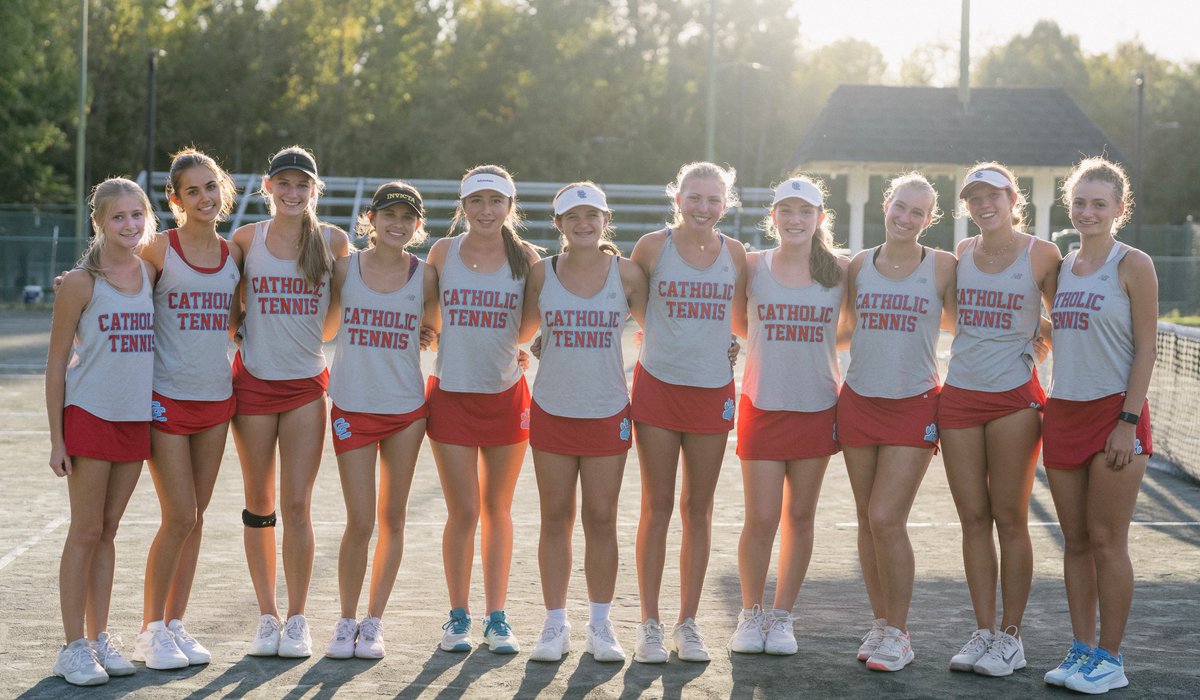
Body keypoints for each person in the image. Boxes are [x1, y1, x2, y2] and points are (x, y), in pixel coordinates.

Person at [228, 146, 350, 658]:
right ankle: (267, 616)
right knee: (261, 504)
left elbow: (344, 308)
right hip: (253, 384)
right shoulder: (244, 239)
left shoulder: (332, 241)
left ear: (314, 190)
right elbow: (224, 301)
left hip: (305, 386)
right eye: (285, 184)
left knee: (298, 504)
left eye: (303, 185)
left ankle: (297, 618)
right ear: (269, 187)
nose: (293, 193)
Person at [1042, 157, 1157, 694]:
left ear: (1119, 210)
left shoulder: (1133, 264)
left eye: (1099, 204)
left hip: (1116, 416)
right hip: (1063, 411)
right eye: (1080, 202)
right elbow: (1060, 327)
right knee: (1076, 542)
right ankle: (1082, 648)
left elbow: (1147, 347)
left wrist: (1127, 422)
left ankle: (1111, 657)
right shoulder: (1061, 268)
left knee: (1109, 540)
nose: (1087, 212)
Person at [941, 163, 1061, 677]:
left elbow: (1068, 317)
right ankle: (984, 630)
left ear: (1013, 199)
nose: (983, 204)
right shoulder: (961, 254)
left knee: (1010, 518)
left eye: (993, 194)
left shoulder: (1043, 254)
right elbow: (952, 317)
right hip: (959, 398)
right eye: (974, 197)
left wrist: (1039, 338)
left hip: (1014, 401)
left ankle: (1011, 637)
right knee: (973, 518)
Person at [521, 183, 647, 663]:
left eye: (592, 215)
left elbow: (665, 327)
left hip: (607, 410)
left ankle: (600, 624)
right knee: (555, 518)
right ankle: (555, 625)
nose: (583, 223)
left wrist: (727, 343)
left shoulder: (628, 273)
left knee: (601, 519)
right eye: (572, 217)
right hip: (552, 408)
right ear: (558, 225)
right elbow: (520, 333)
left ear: (604, 219)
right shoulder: (541, 273)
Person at [629, 161, 748, 664]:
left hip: (711, 392)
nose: (703, 207)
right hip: (657, 386)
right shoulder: (652, 247)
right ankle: (650, 625)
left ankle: (688, 623)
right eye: (694, 197)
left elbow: (740, 317)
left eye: (713, 199)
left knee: (698, 509)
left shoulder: (736, 254)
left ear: (726, 204)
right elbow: (635, 305)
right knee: (656, 507)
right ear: (677, 198)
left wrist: (729, 344)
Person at [838, 172, 957, 672]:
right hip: (859, 401)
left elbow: (976, 318)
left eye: (917, 212)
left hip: (914, 403)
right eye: (900, 207)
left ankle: (900, 634)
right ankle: (881, 623)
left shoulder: (945, 267)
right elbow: (840, 330)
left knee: (887, 517)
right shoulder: (858, 265)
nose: (906, 218)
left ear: (930, 220)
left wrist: (1037, 328)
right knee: (868, 520)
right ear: (886, 205)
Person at [133, 149, 243, 671]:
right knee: (179, 514)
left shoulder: (232, 255)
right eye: (191, 191)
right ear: (175, 200)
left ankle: (175, 623)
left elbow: (240, 319)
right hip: (164, 398)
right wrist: (74, 282)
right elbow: (111, 277)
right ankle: (149, 629)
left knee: (196, 520)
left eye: (210, 187)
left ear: (223, 190)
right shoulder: (157, 250)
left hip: (216, 400)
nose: (203, 198)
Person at [729, 176, 847, 656]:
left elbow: (855, 325)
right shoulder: (753, 266)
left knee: (799, 515)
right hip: (762, 404)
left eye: (805, 212)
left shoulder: (840, 269)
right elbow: (740, 321)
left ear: (820, 218)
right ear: (773, 216)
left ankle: (782, 617)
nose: (795, 220)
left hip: (817, 406)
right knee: (760, 517)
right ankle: (750, 612)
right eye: (786, 211)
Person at [425, 165, 541, 654]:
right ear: (463, 206)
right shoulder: (442, 252)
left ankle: (497, 618)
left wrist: (507, 348)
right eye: (476, 201)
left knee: (498, 510)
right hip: (451, 395)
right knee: (464, 511)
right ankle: (457, 617)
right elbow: (428, 316)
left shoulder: (527, 258)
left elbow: (529, 325)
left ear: (509, 207)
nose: (486, 210)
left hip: (505, 397)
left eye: (496, 201)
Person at [45, 178, 157, 686]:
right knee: (85, 531)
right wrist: (56, 438)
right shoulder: (80, 283)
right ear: (99, 223)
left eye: (137, 215)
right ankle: (71, 647)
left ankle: (98, 636)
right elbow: (55, 365)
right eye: (118, 217)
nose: (129, 225)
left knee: (109, 532)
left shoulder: (152, 272)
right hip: (89, 416)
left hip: (135, 419)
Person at [323, 182, 439, 660]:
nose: (397, 223)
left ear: (417, 226)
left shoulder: (427, 275)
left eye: (407, 217)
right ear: (370, 219)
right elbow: (323, 322)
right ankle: (345, 620)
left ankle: (373, 623)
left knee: (392, 519)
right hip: (352, 405)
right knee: (360, 520)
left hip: (406, 411)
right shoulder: (344, 269)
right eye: (388, 215)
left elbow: (433, 330)